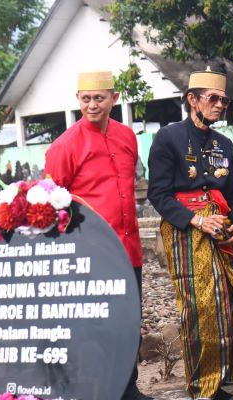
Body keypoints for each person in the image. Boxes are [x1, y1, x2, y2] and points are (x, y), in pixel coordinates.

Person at [147, 68, 233, 400]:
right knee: (204, 307)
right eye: (213, 99)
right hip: (187, 231)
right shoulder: (168, 138)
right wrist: (198, 221)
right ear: (192, 100)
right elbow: (158, 195)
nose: (219, 105)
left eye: (223, 100)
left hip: (222, 228)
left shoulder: (224, 144)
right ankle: (205, 386)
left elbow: (232, 195)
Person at [43, 71, 152, 400]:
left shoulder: (127, 137)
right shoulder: (65, 145)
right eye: (86, 99)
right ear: (78, 100)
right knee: (93, 324)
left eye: (99, 98)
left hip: (129, 247)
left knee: (128, 320)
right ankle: (97, 389)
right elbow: (50, 202)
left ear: (114, 99)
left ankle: (128, 385)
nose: (92, 105)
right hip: (89, 253)